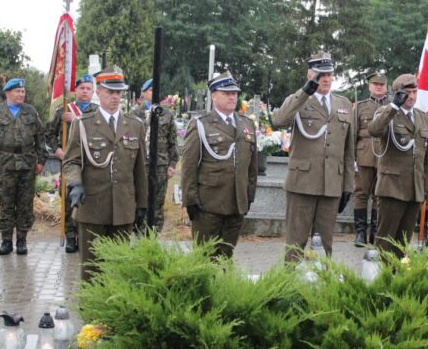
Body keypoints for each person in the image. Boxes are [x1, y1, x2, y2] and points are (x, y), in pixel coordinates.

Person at [62, 66, 148, 281]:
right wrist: (75, 184)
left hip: (123, 207)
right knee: (92, 269)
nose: (115, 97)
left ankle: (116, 312)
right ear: (98, 92)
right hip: (92, 206)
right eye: (110, 92)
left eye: (118, 92)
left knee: (120, 269)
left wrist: (142, 204)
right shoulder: (83, 124)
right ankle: (91, 312)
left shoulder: (135, 125)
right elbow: (71, 161)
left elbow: (140, 169)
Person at [271, 52, 354, 262]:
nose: (325, 78)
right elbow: (279, 120)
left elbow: (348, 150)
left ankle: (321, 287)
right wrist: (305, 92)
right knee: (295, 243)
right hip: (302, 184)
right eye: (320, 74)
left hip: (331, 185)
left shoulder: (343, 104)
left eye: (329, 74)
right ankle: (290, 287)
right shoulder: (299, 100)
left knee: (325, 243)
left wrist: (347, 186)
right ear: (310, 75)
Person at [181, 72, 257, 258]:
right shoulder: (201, 125)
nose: (232, 97)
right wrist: (190, 199)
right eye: (226, 93)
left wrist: (249, 196)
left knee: (226, 255)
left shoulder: (247, 124)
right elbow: (189, 167)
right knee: (204, 257)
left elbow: (252, 166)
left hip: (236, 204)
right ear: (214, 96)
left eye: (234, 93)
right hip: (208, 204)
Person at [368, 74, 428, 256]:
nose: (411, 97)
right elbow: (374, 130)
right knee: (385, 239)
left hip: (414, 189)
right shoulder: (387, 113)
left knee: (403, 241)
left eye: (414, 92)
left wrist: (426, 187)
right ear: (397, 93)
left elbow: (425, 157)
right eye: (407, 93)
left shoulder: (422, 117)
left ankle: (398, 277)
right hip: (392, 188)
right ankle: (381, 276)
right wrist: (394, 106)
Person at [0, 78, 46, 255]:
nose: (21, 94)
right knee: (6, 203)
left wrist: (41, 161)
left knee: (25, 204)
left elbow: (41, 138)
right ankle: (6, 241)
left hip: (27, 163)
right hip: (5, 164)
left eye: (23, 91)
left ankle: (22, 241)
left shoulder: (31, 112)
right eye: (17, 91)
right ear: (8, 93)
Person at [45, 74, 98, 253]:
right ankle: (70, 236)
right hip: (69, 163)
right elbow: (49, 133)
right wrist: (57, 149)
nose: (85, 92)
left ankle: (85, 236)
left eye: (88, 89)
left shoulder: (97, 112)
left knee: (88, 199)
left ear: (92, 92)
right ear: (76, 91)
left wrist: (75, 120)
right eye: (82, 88)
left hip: (91, 162)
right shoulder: (64, 110)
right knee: (69, 199)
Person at [350, 72, 388, 246]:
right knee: (361, 193)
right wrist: (351, 158)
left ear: (386, 86)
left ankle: (375, 231)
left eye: (381, 84)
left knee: (379, 194)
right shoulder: (360, 107)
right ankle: (360, 233)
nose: (378, 87)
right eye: (375, 84)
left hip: (386, 155)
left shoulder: (392, 106)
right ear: (369, 86)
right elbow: (352, 134)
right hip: (364, 154)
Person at [138, 79, 179, 232]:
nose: (153, 94)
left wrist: (172, 164)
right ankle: (140, 235)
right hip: (140, 166)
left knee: (157, 203)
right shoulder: (135, 114)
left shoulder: (166, 114)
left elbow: (172, 141)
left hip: (161, 166)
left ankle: (154, 236)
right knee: (141, 201)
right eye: (150, 91)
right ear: (143, 93)